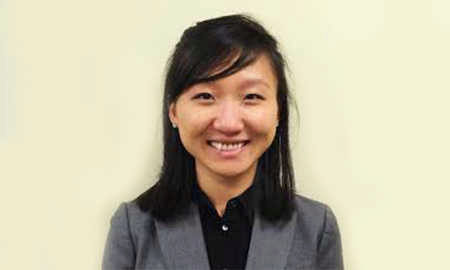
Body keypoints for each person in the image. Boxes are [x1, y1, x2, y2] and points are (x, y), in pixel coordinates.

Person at [102, 14, 344, 270]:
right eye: (205, 96)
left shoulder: (317, 228)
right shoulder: (133, 228)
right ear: (173, 111)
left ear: (278, 111)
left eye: (251, 96)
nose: (229, 123)